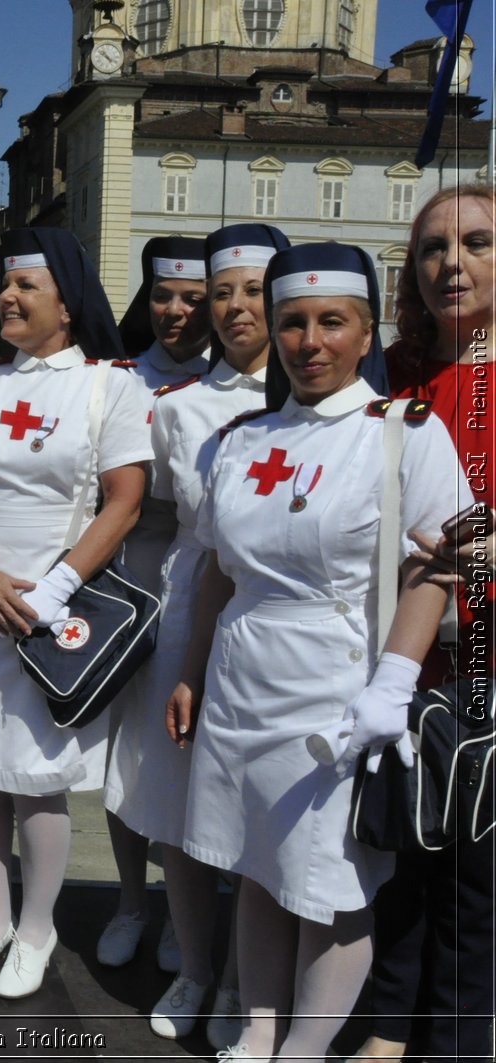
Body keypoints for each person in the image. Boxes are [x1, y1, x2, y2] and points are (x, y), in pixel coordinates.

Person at [167, 242, 470, 1062]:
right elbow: (215, 576)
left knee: (330, 887)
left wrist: (394, 684)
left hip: (340, 689)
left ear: (365, 329)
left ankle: (304, 1046)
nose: (309, 342)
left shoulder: (405, 434)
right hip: (242, 679)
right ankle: (260, 1031)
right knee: (259, 865)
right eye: (292, 322)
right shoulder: (239, 437)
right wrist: (191, 671)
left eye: (331, 322)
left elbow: (435, 570)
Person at [0, 227, 150, 998]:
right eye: (5, 286)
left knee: (36, 773)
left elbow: (124, 499)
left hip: (56, 598)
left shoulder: (108, 386)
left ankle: (36, 925)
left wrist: (51, 588)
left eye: (26, 288)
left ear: (67, 301)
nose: (8, 299)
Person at [120, 223, 289, 1042]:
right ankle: (194, 965)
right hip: (193, 604)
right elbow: (146, 510)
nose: (232, 307)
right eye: (222, 292)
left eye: (251, 290)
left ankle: (243, 984)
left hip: (278, 623)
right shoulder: (179, 410)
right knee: (183, 809)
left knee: (258, 808)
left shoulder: (312, 403)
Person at [350, 184, 494, 1063]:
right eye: (434, 247)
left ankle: (460, 1041)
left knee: (479, 876)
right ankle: (384, 1030)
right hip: (404, 650)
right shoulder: (393, 375)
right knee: (400, 846)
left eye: (478, 242)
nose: (453, 263)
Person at [101, 236, 213, 972]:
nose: (175, 311)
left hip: (190, 583)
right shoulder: (116, 377)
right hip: (122, 576)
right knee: (123, 758)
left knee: (175, 761)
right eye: (164, 297)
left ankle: (183, 912)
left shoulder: (226, 388)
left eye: (193, 299)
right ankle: (130, 900)